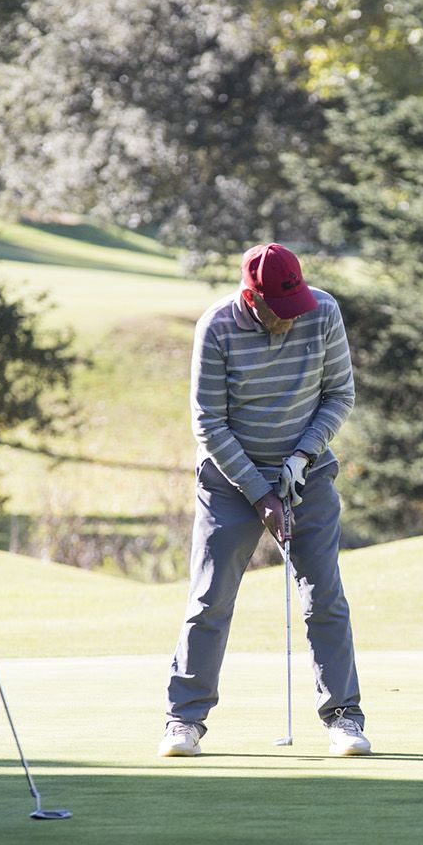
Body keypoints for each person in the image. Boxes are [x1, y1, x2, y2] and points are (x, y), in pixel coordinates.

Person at [160, 242, 370, 758]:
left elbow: (339, 394)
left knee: (324, 596)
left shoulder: (321, 311)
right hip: (230, 481)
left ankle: (344, 718)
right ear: (252, 298)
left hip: (309, 474)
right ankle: (183, 721)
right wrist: (259, 492)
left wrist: (301, 458)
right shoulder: (216, 327)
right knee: (210, 599)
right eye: (280, 310)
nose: (290, 318)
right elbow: (208, 422)